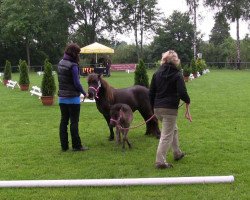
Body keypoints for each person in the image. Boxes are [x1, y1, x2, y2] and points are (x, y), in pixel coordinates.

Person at [149, 50, 192, 169]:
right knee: (166, 135)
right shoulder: (177, 74)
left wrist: (153, 108)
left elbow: (151, 93)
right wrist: (188, 100)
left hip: (158, 109)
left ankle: (177, 153)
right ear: (175, 61)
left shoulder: (156, 73)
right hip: (169, 110)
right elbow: (182, 92)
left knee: (174, 129)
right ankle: (160, 162)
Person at [57, 43, 88, 152]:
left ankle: (64, 146)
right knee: (74, 122)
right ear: (74, 53)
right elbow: (76, 83)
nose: (79, 56)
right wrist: (84, 93)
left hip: (62, 98)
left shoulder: (60, 63)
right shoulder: (73, 65)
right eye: (78, 53)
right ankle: (77, 146)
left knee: (63, 121)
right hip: (73, 99)